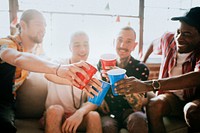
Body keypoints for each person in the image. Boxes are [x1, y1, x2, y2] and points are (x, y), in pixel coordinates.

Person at [0, 9, 99, 132]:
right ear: (23, 25)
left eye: (45, 25)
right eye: (38, 24)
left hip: (8, 103)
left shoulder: (35, 53)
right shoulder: (6, 43)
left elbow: (44, 65)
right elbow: (17, 58)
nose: (43, 29)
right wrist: (58, 69)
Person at [115, 7, 200, 133]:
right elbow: (154, 43)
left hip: (195, 98)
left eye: (187, 34)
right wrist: (143, 60)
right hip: (172, 98)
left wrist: (147, 85)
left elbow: (196, 77)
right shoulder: (169, 39)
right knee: (154, 104)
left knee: (191, 110)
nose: (179, 38)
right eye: (178, 32)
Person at [43, 31, 102, 133]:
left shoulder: (93, 69)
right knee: (55, 110)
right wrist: (76, 81)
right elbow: (47, 74)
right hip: (55, 115)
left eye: (86, 44)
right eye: (77, 45)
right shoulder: (59, 62)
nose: (82, 49)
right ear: (70, 47)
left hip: (76, 117)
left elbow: (95, 100)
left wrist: (80, 113)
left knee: (94, 115)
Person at [97, 26, 149, 133]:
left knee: (138, 118)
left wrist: (122, 78)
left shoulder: (141, 68)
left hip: (130, 112)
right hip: (108, 113)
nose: (122, 45)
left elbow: (139, 104)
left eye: (128, 42)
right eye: (120, 40)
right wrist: (100, 100)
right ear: (114, 42)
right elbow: (96, 85)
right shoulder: (102, 63)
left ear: (134, 46)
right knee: (107, 126)